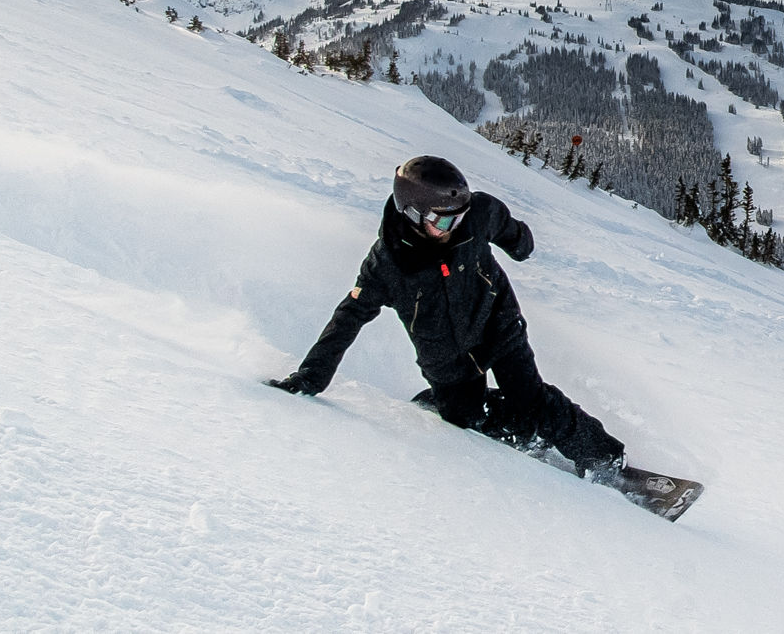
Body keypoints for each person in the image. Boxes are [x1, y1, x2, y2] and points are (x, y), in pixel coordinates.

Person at [267, 156, 627, 480]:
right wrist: (310, 378)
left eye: (460, 214)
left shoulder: (478, 214)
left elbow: (514, 236)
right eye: (444, 218)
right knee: (462, 417)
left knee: (531, 398)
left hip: (497, 325)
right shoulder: (387, 266)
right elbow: (348, 318)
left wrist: (519, 242)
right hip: (446, 357)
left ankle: (603, 458)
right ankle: (510, 424)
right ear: (412, 213)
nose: (455, 224)